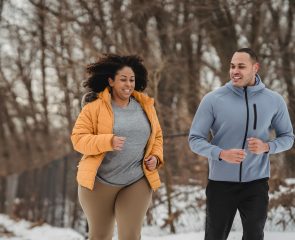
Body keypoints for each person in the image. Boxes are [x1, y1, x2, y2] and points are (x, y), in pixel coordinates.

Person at [188, 48, 294, 240]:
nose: (235, 71)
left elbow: (288, 137)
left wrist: (267, 147)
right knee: (214, 236)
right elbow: (194, 140)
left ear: (255, 68)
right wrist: (221, 154)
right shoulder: (213, 99)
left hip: (256, 183)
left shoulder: (274, 100)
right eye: (232, 66)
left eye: (241, 67)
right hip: (220, 184)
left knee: (254, 235)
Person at [71, 54, 163, 240]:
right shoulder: (94, 108)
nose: (128, 84)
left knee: (130, 236)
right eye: (123, 79)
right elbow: (78, 139)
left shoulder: (146, 106)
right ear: (111, 81)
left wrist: (155, 157)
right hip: (99, 183)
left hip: (136, 180)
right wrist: (107, 141)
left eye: (132, 80)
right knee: (100, 236)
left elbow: (157, 137)